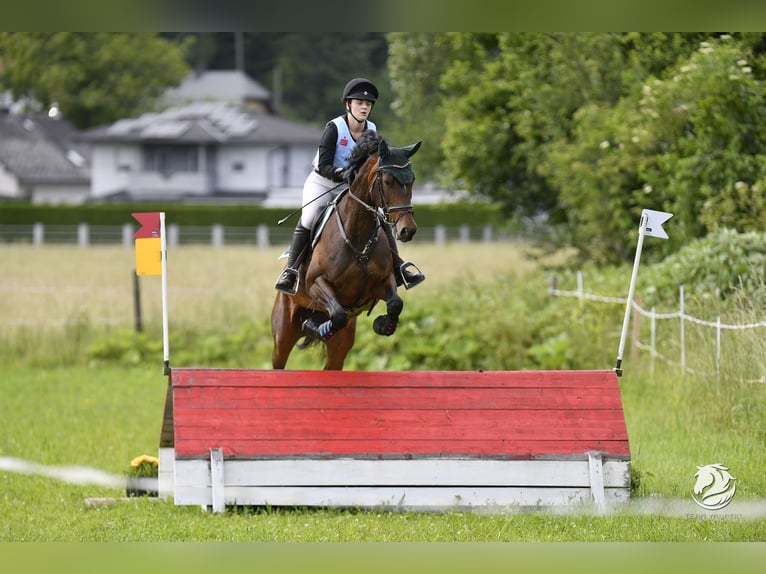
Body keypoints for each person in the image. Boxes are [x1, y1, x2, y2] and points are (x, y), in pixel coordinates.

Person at [275, 77, 425, 295]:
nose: (364, 107)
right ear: (348, 105)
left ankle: (399, 266)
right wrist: (342, 173)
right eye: (359, 103)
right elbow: (324, 165)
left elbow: (377, 161)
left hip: (352, 186)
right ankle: (291, 271)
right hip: (323, 182)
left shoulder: (371, 129)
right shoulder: (334, 129)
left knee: (379, 217)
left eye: (368, 104)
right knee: (309, 217)